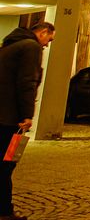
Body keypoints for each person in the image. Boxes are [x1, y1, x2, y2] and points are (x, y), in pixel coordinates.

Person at [0, 21, 55, 220]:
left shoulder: (9, 45)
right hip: (9, 116)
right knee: (6, 165)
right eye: (49, 39)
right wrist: (27, 115)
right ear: (42, 32)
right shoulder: (31, 47)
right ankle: (4, 211)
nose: (47, 45)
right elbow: (27, 82)